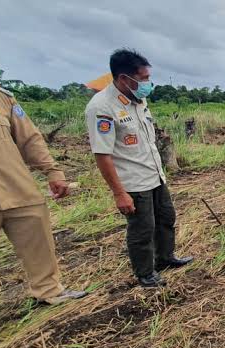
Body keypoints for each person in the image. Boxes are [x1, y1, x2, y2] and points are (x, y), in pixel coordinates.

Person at [0, 38, 85, 343]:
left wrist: (53, 172)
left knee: (39, 243)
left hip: (17, 188)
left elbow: (30, 140)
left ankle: (49, 291)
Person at [86, 49, 193, 288]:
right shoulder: (102, 107)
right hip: (132, 182)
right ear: (124, 78)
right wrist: (119, 193)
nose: (147, 83)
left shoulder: (138, 100)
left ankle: (165, 257)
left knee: (166, 218)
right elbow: (102, 155)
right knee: (142, 229)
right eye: (143, 78)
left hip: (155, 174)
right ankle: (145, 272)